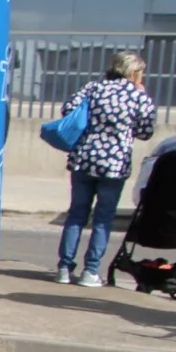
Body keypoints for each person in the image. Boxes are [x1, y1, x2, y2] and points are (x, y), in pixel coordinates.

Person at [55, 50, 156, 287]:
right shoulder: (137, 96)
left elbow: (69, 108)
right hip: (114, 163)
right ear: (133, 73)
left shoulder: (94, 88)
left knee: (77, 214)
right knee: (103, 218)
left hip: (84, 158)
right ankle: (91, 271)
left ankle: (64, 267)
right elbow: (146, 131)